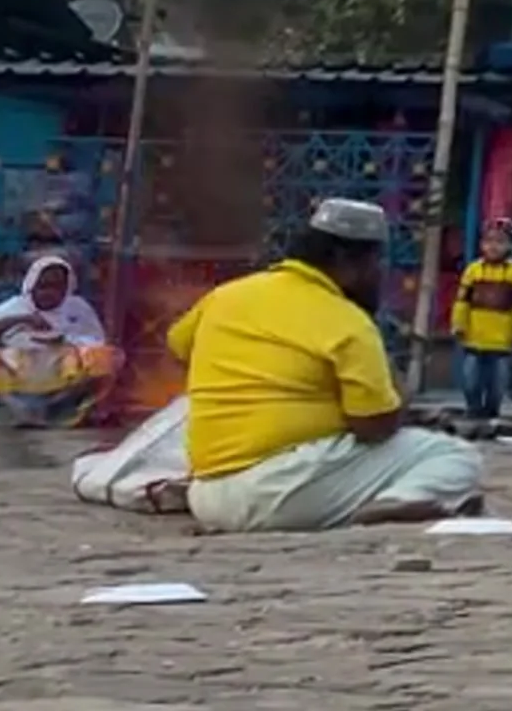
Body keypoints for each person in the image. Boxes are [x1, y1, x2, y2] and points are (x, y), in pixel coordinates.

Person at [171, 199, 484, 534]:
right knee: (454, 455)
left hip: (207, 497)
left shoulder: (225, 297)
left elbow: (179, 347)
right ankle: (394, 503)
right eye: (374, 262)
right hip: (284, 493)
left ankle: (367, 502)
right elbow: (375, 428)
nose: (378, 274)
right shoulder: (347, 321)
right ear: (346, 260)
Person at [0, 243, 118, 427]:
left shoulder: (77, 308)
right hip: (17, 371)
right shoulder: (15, 306)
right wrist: (20, 320)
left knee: (108, 356)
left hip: (60, 368)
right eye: (44, 287)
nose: (50, 293)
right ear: (32, 286)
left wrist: (63, 341)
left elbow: (97, 340)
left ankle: (65, 410)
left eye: (57, 287)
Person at [446, 218, 512, 425]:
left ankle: (492, 410)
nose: (493, 247)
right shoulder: (473, 271)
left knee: (498, 381)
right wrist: (458, 324)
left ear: (510, 245)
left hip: (501, 340)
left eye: (500, 242)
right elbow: (462, 302)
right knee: (470, 378)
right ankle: (473, 408)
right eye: (489, 241)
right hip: (474, 337)